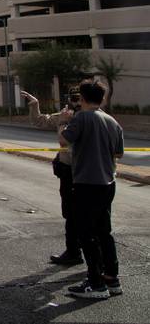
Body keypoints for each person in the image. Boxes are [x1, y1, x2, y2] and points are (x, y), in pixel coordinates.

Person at [60, 79, 125, 300]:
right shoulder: (112, 121)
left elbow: (63, 141)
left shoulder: (81, 118)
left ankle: (96, 283)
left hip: (86, 183)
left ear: (83, 98)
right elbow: (118, 154)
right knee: (104, 232)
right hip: (108, 182)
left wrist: (65, 121)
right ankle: (111, 278)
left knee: (87, 234)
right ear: (103, 98)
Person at [21, 90, 81, 265]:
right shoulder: (65, 115)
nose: (75, 104)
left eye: (79, 99)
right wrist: (34, 104)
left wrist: (64, 121)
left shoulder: (85, 118)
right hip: (67, 171)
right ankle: (73, 252)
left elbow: (64, 141)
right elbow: (40, 121)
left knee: (83, 216)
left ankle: (91, 259)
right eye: (73, 100)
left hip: (82, 172)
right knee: (70, 214)